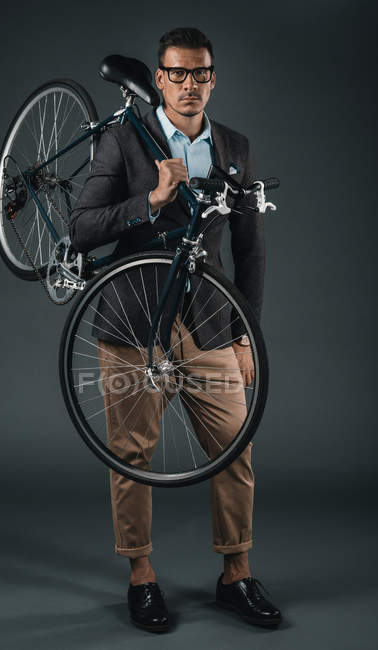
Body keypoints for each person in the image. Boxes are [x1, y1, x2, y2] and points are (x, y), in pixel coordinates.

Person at [70, 27, 281, 633]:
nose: (189, 85)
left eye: (201, 74)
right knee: (131, 456)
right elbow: (83, 229)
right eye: (177, 74)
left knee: (235, 446)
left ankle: (236, 576)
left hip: (210, 324)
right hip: (134, 323)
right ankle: (141, 578)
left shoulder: (235, 147)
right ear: (158, 79)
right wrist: (151, 201)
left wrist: (246, 336)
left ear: (212, 79)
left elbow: (251, 253)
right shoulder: (122, 142)